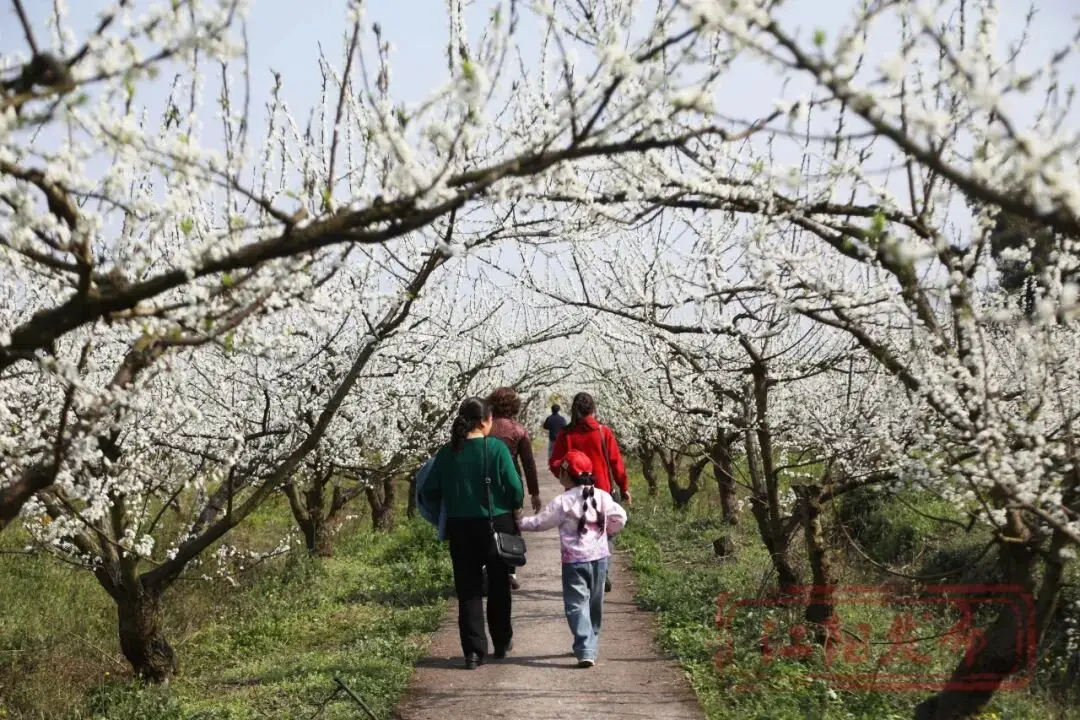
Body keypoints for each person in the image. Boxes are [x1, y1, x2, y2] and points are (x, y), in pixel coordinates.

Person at [420, 397, 524, 669]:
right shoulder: (496, 448)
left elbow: (429, 490)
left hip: (460, 527)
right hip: (496, 524)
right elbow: (514, 489)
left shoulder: (447, 452)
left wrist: (449, 505)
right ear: (484, 421)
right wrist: (513, 506)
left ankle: (473, 652)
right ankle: (501, 642)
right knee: (499, 586)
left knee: (468, 591)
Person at [519, 450, 626, 667]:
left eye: (561, 470)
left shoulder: (563, 501)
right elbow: (620, 517)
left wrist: (519, 523)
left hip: (574, 561)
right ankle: (590, 642)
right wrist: (607, 532)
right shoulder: (603, 496)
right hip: (600, 558)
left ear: (566, 475)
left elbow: (541, 522)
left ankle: (585, 646)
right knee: (595, 603)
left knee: (576, 604)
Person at [548, 392, 631, 592]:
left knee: (580, 533)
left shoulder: (566, 435)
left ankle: (583, 574)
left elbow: (555, 463)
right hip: (602, 490)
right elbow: (616, 462)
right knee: (605, 533)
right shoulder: (603, 432)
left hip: (575, 494)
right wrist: (624, 487)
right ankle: (603, 572)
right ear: (593, 409)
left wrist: (568, 474)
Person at [486, 387, 541, 591]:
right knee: (511, 524)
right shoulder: (519, 430)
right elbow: (529, 463)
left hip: (486, 478)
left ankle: (486, 566)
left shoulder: (486, 427)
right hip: (511, 479)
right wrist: (534, 493)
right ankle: (510, 570)